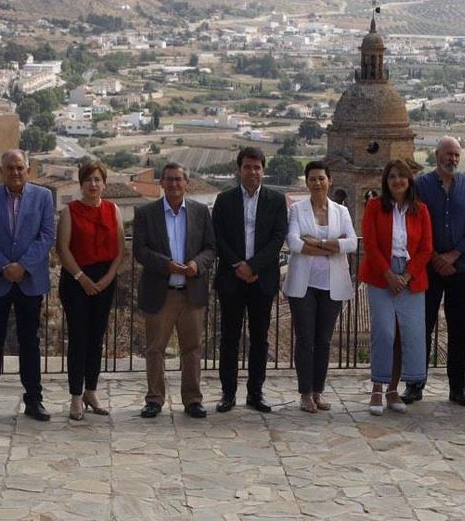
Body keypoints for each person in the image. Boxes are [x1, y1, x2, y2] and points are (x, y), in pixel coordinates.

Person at [0, 149, 55, 422]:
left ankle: (34, 400)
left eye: (20, 168)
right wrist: (4, 266)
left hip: (30, 281)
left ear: (28, 170)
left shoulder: (43, 197)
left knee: (30, 341)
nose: (15, 173)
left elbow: (46, 236)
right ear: (2, 171)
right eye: (10, 168)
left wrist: (23, 266)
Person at [133, 162, 217, 418]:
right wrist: (166, 265)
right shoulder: (146, 213)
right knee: (155, 349)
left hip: (191, 292)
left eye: (178, 179)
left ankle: (192, 400)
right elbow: (140, 250)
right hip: (162, 291)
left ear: (186, 183)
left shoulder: (201, 212)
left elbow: (210, 249)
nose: (173, 184)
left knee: (192, 349)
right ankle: (155, 399)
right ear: (162, 183)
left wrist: (195, 264)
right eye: (169, 179)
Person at [404, 136, 465, 407]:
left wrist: (453, 255)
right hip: (429, 268)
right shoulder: (422, 185)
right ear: (437, 155)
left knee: (459, 328)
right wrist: (436, 256)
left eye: (457, 155)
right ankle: (415, 384)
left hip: (461, 267)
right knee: (421, 326)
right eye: (448, 154)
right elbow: (415, 226)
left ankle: (458, 387)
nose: (453, 159)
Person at [212, 147, 288, 414]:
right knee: (229, 338)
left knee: (260, 339)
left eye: (257, 167)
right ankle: (228, 393)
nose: (252, 172)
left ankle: (255, 393)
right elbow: (218, 237)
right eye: (247, 167)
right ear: (239, 169)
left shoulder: (277, 201)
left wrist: (253, 266)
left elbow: (278, 239)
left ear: (263, 171)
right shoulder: (224, 200)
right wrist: (238, 266)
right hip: (232, 279)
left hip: (261, 278)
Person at [283, 161, 357, 413]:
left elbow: (352, 244)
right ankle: (305, 393)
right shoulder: (297, 210)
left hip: (331, 284)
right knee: (305, 340)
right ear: (307, 182)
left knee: (323, 340)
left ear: (329, 180)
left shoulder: (341, 211)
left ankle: (318, 391)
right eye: (312, 179)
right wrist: (331, 246)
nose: (317, 183)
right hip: (303, 284)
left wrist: (319, 243)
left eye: (321, 178)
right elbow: (293, 242)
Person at [359, 159, 432, 415]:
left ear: (409, 180)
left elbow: (425, 248)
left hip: (411, 279)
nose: (397, 181)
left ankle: (393, 390)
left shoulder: (420, 210)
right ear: (386, 181)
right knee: (385, 333)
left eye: (402, 176)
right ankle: (377, 389)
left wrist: (407, 275)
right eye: (392, 177)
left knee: (405, 335)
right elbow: (370, 244)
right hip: (382, 275)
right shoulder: (374, 207)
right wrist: (389, 273)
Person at [56, 160, 124, 420]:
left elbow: (120, 250)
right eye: (88, 180)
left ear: (104, 183)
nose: (93, 184)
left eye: (98, 179)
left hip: (104, 280)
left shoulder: (113, 209)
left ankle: (91, 391)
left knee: (96, 339)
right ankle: (75, 395)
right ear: (81, 183)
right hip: (76, 281)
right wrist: (81, 277)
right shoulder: (70, 211)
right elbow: (63, 249)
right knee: (79, 339)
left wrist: (107, 278)